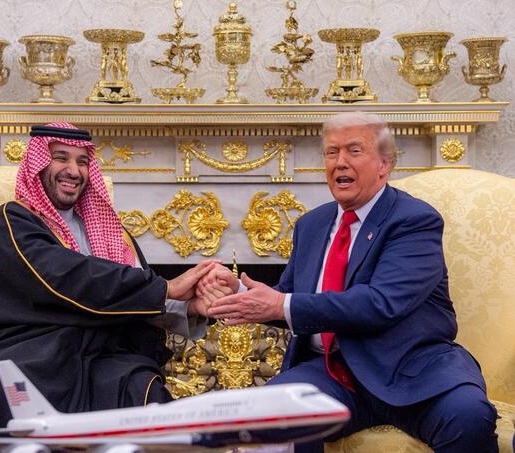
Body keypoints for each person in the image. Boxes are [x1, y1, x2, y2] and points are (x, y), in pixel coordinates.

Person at [201, 112, 498, 452]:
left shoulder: (414, 220)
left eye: (354, 151)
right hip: (332, 373)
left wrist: (281, 304)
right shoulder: (311, 225)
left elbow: (380, 304)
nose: (340, 162)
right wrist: (240, 293)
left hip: (411, 369)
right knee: (266, 414)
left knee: (468, 416)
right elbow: (290, 298)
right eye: (332, 152)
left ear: (384, 164)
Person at [0, 122, 222, 451]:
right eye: (61, 158)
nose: (74, 171)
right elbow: (68, 277)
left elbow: (129, 298)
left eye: (83, 161)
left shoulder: (110, 234)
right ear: (37, 165)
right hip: (20, 348)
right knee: (1, 388)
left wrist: (188, 306)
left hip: (98, 354)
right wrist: (167, 288)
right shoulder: (7, 224)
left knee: (141, 388)